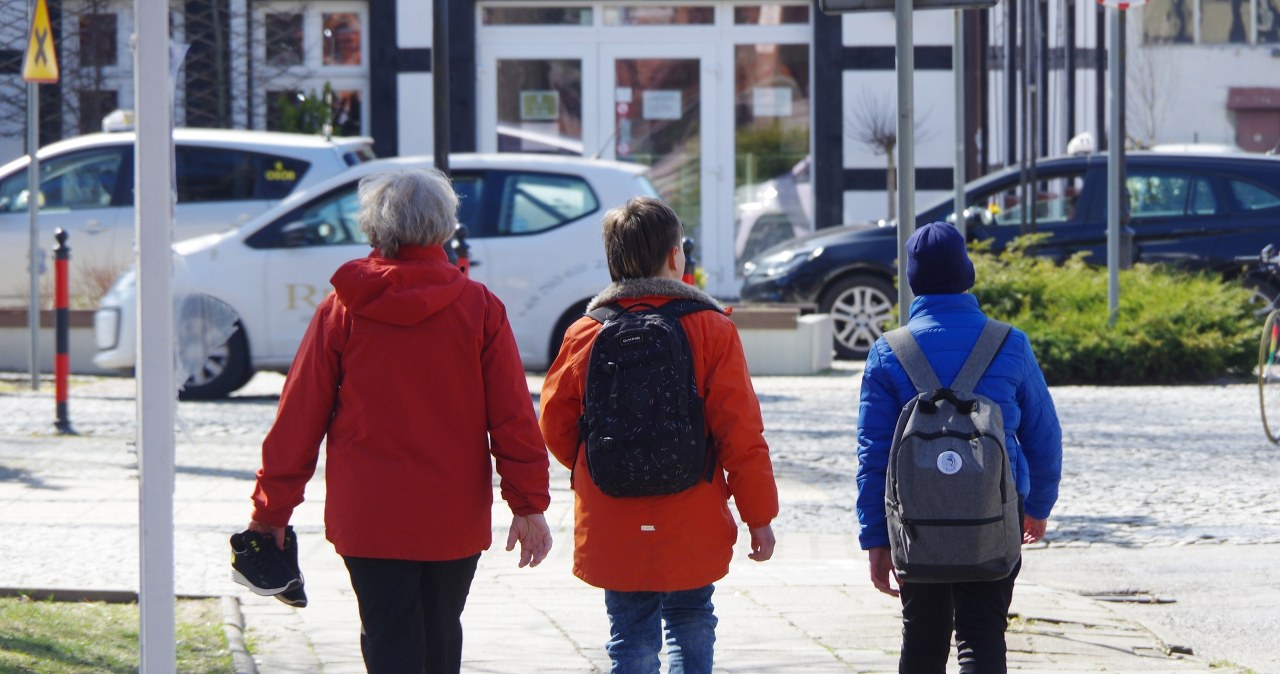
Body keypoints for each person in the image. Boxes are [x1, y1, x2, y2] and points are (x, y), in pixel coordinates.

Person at [246, 167, 553, 674]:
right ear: (445, 226)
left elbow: (298, 418)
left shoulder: (343, 309)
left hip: (370, 515)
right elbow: (513, 416)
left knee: (388, 638)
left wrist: (271, 511)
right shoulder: (478, 308)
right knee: (441, 637)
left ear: (374, 227)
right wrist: (528, 504)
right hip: (452, 515)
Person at [540, 196, 779, 674]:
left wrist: (596, 462)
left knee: (629, 636)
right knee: (691, 618)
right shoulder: (711, 328)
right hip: (692, 509)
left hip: (612, 510)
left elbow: (554, 421)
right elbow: (741, 433)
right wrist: (759, 515)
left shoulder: (585, 332)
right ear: (675, 256)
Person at [855, 221, 1062, 674]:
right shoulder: (1010, 344)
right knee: (983, 635)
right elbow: (1045, 436)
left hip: (916, 526)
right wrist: (1038, 505)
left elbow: (873, 454)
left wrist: (876, 537)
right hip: (995, 514)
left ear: (913, 283)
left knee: (923, 639)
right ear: (967, 274)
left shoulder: (889, 352)